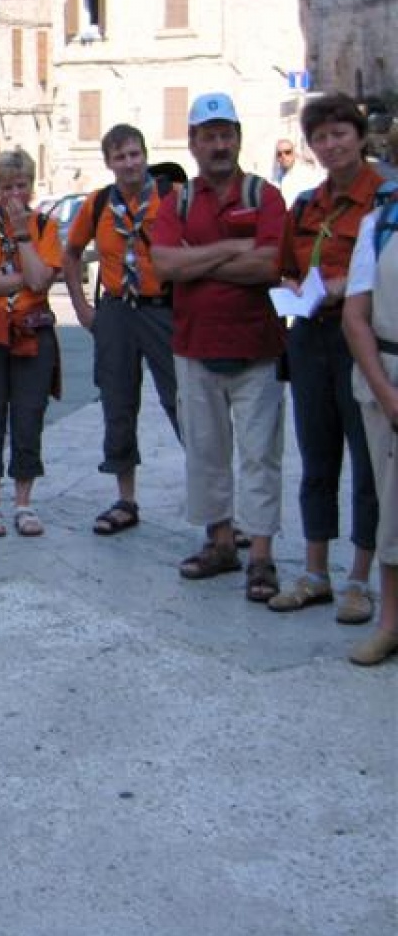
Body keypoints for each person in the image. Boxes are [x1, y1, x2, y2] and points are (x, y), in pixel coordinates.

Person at [153, 92, 288, 603]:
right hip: (195, 347)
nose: (219, 144)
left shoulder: (264, 195)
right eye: (208, 136)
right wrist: (235, 249)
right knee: (206, 454)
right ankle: (221, 542)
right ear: (192, 143)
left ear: (238, 137)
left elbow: (271, 265)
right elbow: (164, 265)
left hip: (257, 348)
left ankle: (261, 558)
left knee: (260, 455)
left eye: (225, 133)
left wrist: (199, 258)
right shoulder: (178, 202)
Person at [268, 94, 390, 623]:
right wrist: (295, 286)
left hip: (360, 338)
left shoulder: (386, 198)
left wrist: (344, 287)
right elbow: (285, 268)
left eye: (341, 132)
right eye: (321, 136)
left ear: (360, 137)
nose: (332, 143)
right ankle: (316, 573)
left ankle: (361, 580)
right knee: (317, 460)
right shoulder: (305, 206)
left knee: (368, 464)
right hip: (311, 337)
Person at [62, 125, 179, 536]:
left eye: (135, 154)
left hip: (162, 309)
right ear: (109, 163)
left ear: (145, 155)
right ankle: (125, 499)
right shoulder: (97, 205)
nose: (129, 163)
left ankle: (215, 507)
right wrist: (80, 305)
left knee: (182, 401)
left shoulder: (171, 199)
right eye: (120, 157)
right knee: (118, 402)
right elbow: (71, 253)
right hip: (116, 312)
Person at [0, 149, 62, 537]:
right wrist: (26, 276)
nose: (15, 195)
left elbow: (41, 282)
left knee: (29, 415)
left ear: (31, 187)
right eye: (6, 188)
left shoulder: (45, 228)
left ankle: (23, 501)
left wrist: (22, 237)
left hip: (32, 330)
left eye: (21, 186)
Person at [342, 181, 398, 664]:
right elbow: (356, 317)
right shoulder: (378, 225)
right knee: (393, 506)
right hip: (389, 379)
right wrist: (387, 394)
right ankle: (390, 622)